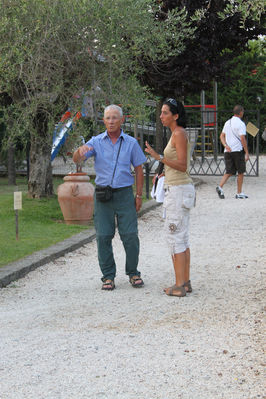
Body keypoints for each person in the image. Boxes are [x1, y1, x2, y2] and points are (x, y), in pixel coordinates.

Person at [73, 105, 146, 290]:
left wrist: (138, 195)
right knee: (103, 236)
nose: (111, 121)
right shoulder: (96, 141)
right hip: (103, 195)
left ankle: (133, 272)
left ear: (122, 120)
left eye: (115, 118)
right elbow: (78, 159)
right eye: (108, 118)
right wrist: (78, 152)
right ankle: (108, 276)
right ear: (104, 121)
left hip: (124, 195)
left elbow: (139, 169)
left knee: (130, 236)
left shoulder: (130, 143)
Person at [145, 98, 195, 297]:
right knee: (182, 236)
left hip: (178, 190)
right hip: (177, 187)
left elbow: (182, 165)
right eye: (161, 112)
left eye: (165, 112)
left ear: (176, 115)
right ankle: (185, 282)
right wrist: (165, 171)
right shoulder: (176, 133)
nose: (161, 116)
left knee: (175, 237)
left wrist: (159, 158)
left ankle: (179, 285)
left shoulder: (179, 134)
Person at [216, 105, 250, 199]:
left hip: (228, 150)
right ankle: (239, 192)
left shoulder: (227, 122)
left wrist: (225, 145)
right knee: (241, 171)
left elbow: (221, 136)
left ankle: (220, 186)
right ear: (241, 112)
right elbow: (242, 138)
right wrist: (246, 152)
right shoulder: (241, 124)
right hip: (237, 150)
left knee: (229, 171)